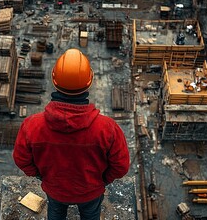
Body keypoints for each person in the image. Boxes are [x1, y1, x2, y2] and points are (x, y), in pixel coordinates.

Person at [13, 48, 130, 220]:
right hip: (90, 193)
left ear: (55, 81)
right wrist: (102, 181)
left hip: (56, 191)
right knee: (90, 216)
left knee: (56, 213)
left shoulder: (32, 125)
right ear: (89, 82)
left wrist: (40, 175)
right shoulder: (108, 128)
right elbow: (121, 167)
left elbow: (21, 159)